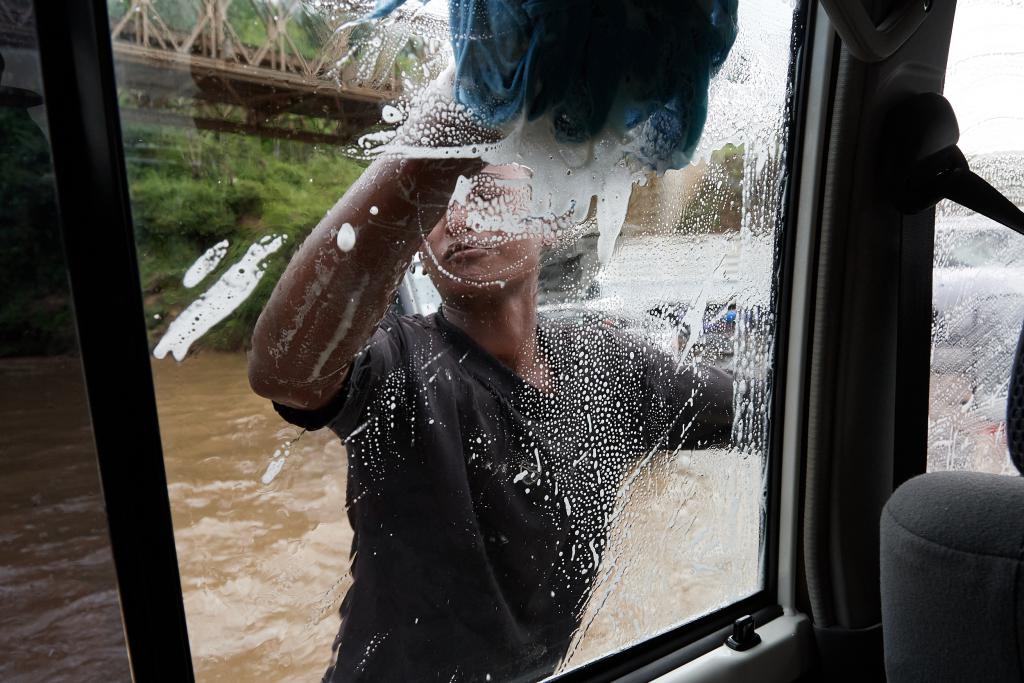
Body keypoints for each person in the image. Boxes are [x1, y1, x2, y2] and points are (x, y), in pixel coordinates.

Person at [248, 157, 734, 682]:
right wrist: (421, 159)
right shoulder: (398, 363)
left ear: (551, 220)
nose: (455, 220)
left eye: (481, 192)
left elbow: (763, 408)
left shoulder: (607, 365)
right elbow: (286, 371)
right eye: (434, 205)